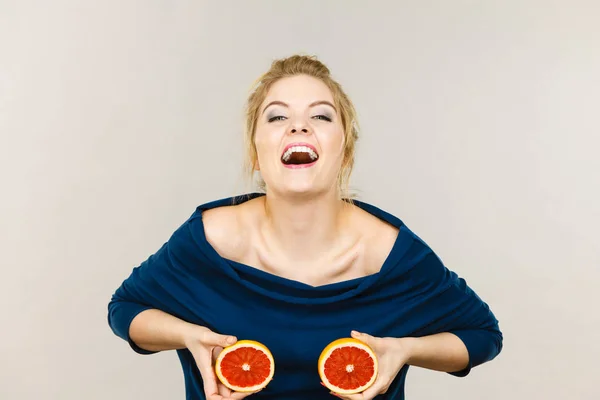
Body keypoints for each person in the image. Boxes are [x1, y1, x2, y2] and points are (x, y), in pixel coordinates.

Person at [107, 54, 503, 400]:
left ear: (344, 152)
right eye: (278, 116)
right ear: (256, 153)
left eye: (320, 115)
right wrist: (187, 336)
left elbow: (482, 335)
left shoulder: (390, 253)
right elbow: (125, 309)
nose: (298, 127)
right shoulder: (210, 240)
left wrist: (405, 350)